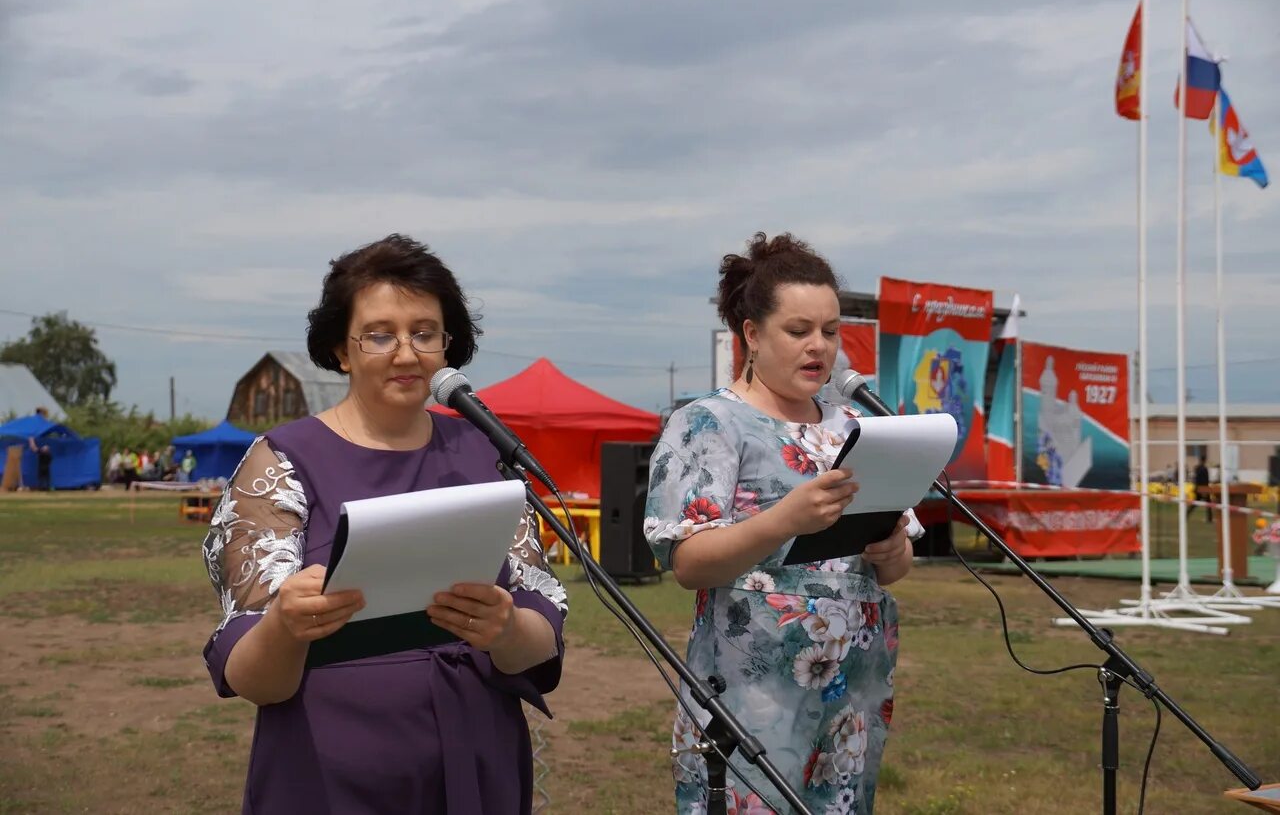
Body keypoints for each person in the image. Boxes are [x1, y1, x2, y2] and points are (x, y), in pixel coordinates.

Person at [201, 234, 567, 813]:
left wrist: (507, 631)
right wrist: (284, 628)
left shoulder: (484, 453)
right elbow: (255, 678)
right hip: (330, 773)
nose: (406, 352)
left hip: (478, 760)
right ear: (341, 350)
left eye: (425, 333)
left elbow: (542, 630)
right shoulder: (281, 461)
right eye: (380, 334)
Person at [645, 232, 917, 815]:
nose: (819, 347)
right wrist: (782, 521)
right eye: (798, 331)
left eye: (830, 330)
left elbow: (895, 565)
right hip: (753, 700)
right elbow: (688, 564)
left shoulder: (853, 427)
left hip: (854, 696)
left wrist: (892, 549)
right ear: (751, 334)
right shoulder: (708, 424)